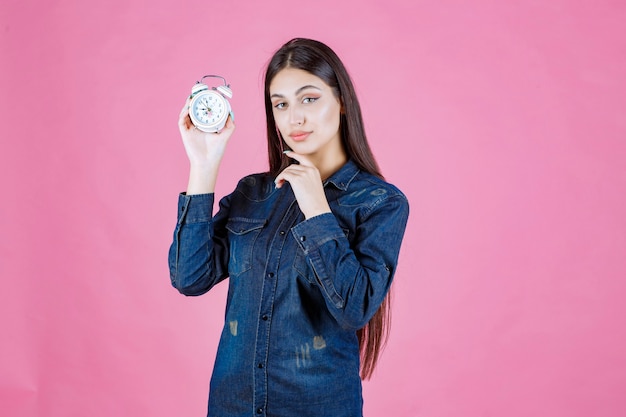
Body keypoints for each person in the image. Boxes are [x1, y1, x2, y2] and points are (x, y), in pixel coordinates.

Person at [168, 38, 409, 417]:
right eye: (280, 104)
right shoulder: (254, 193)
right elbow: (189, 277)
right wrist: (203, 165)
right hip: (233, 405)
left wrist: (316, 206)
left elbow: (354, 309)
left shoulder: (380, 202)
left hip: (319, 406)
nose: (293, 117)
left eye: (309, 98)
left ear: (341, 101)